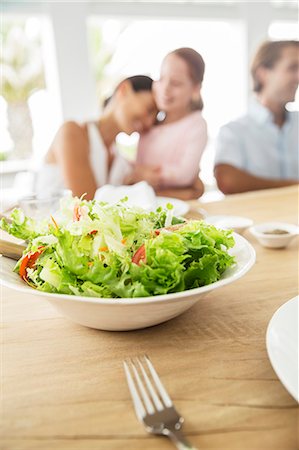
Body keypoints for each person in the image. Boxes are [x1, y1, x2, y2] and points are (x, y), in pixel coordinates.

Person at [35, 76, 157, 199]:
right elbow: (86, 204)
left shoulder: (121, 162)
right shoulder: (72, 132)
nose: (149, 123)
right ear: (123, 89)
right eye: (149, 109)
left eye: (155, 119)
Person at [214, 40, 299, 195]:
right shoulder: (233, 131)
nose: (298, 76)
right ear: (263, 73)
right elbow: (228, 182)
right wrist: (292, 186)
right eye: (292, 68)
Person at [125, 48, 208, 200]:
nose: (165, 89)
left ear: (196, 89)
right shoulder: (148, 123)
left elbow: (185, 174)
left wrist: (145, 174)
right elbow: (134, 167)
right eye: (161, 79)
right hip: (145, 206)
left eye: (176, 83)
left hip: (180, 208)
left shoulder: (196, 125)